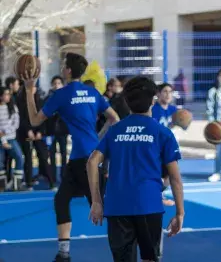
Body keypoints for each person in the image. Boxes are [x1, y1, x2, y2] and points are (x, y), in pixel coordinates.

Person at [21, 52, 120, 262]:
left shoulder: (62, 95)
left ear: (67, 70)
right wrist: (100, 139)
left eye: (63, 65)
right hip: (85, 156)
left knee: (103, 205)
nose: (61, 67)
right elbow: (115, 119)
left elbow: (35, 120)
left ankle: (128, 245)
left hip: (82, 159)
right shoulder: (93, 93)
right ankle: (64, 253)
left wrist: (29, 90)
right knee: (65, 199)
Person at [87, 76, 184, 262]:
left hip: (117, 207)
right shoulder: (162, 132)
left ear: (126, 101)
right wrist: (180, 213)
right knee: (150, 258)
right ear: (153, 100)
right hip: (149, 205)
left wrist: (97, 201)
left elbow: (92, 162)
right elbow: (175, 178)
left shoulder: (115, 130)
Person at [16, 85, 55, 190]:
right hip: (25, 134)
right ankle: (28, 182)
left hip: (38, 134)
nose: (32, 89)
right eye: (30, 87)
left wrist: (40, 132)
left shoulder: (40, 101)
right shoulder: (20, 102)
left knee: (43, 156)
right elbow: (21, 118)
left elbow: (43, 117)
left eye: (34, 87)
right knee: (28, 157)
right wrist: (28, 131)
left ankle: (51, 182)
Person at [45, 76, 69, 184]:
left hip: (63, 131)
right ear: (51, 85)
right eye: (55, 83)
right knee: (52, 155)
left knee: (64, 155)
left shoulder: (66, 97)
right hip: (51, 131)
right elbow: (45, 114)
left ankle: (64, 177)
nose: (57, 85)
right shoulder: (48, 98)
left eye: (59, 83)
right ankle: (52, 179)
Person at [0, 86, 24, 191]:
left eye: (9, 94)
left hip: (11, 138)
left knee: (19, 157)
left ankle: (16, 184)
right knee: (0, 162)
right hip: (1, 139)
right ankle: (2, 185)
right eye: (6, 94)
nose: (8, 96)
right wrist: (3, 140)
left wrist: (6, 132)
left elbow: (16, 123)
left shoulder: (13, 107)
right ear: (1, 96)